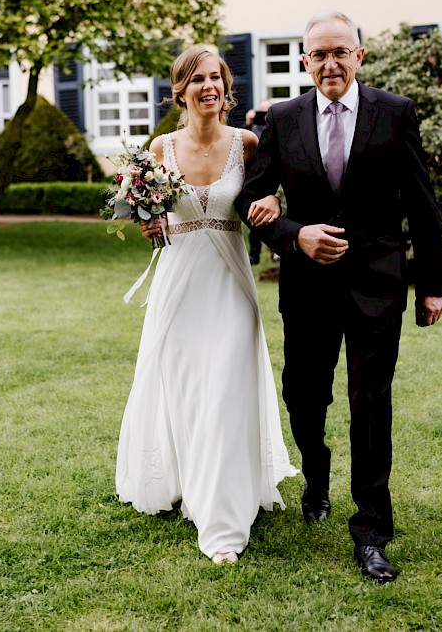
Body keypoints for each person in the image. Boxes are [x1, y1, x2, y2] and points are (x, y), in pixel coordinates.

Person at [236, 10, 442, 584]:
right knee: (304, 397)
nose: (330, 63)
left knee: (371, 403)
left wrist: (431, 284)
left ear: (359, 55)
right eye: (318, 54)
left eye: (340, 52)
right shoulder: (282, 118)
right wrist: (292, 235)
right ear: (305, 62)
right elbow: (250, 200)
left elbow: (422, 203)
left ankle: (373, 530)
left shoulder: (395, 113)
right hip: (307, 286)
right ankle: (316, 473)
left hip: (377, 281)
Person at [115, 46, 297, 565]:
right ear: (181, 90)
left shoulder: (248, 142)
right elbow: (146, 213)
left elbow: (269, 194)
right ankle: (187, 479)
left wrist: (274, 203)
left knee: (225, 390)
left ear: (226, 86)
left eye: (216, 77)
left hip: (230, 281)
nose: (208, 86)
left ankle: (221, 524)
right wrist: (148, 219)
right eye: (198, 79)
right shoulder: (159, 149)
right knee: (187, 390)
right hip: (180, 282)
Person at [245, 100, 273, 265]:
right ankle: (254, 255)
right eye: (262, 110)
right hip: (254, 179)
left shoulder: (276, 126)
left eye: (268, 110)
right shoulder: (252, 130)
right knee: (254, 221)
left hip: (272, 182)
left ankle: (275, 254)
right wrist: (248, 122)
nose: (264, 114)